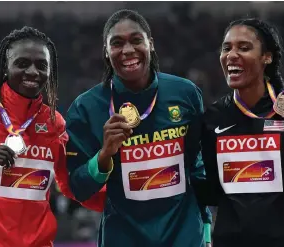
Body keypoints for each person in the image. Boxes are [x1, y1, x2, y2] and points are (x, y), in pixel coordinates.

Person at [66, 9, 212, 247]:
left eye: (136, 40)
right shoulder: (86, 108)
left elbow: (197, 168)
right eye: (117, 43)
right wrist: (104, 156)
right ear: (106, 51)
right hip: (123, 238)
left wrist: (205, 228)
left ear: (150, 44)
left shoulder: (185, 93)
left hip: (184, 237)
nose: (128, 50)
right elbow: (78, 189)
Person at [197, 18, 284, 247]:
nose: (231, 55)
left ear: (267, 57)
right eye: (226, 48)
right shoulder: (214, 117)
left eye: (244, 48)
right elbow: (211, 193)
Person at [0, 26, 75, 247]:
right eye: (22, 63)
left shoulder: (55, 123)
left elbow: (71, 182)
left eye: (42, 65)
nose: (33, 72)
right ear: (5, 68)